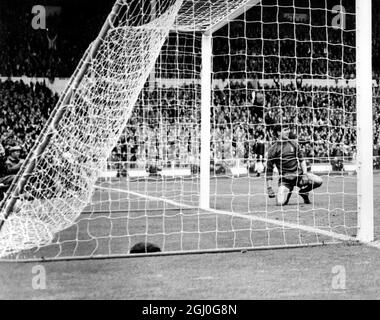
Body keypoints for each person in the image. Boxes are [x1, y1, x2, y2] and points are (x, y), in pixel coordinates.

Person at [266, 125, 323, 206]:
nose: (288, 131)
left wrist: (305, 174)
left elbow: (301, 160)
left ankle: (304, 192)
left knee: (319, 181)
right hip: (285, 180)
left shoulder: (293, 144)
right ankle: (288, 190)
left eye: (288, 129)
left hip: (299, 176)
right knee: (280, 203)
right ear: (278, 132)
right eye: (285, 130)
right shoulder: (273, 149)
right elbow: (269, 170)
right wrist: (269, 188)